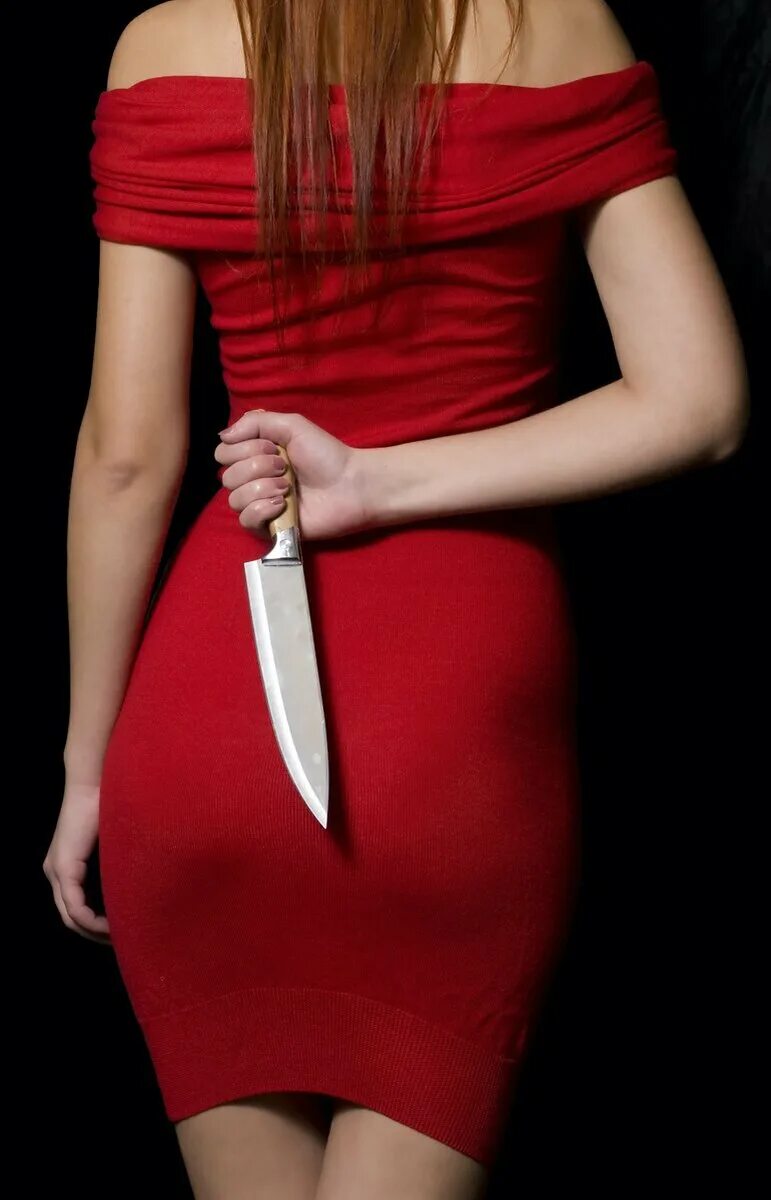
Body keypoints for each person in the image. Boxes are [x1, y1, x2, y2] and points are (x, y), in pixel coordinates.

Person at [43, 1, 749, 1197]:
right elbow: (701, 401)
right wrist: (379, 482)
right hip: (459, 724)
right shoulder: (559, 28)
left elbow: (126, 455)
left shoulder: (164, 45)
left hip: (209, 719)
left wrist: (88, 771)